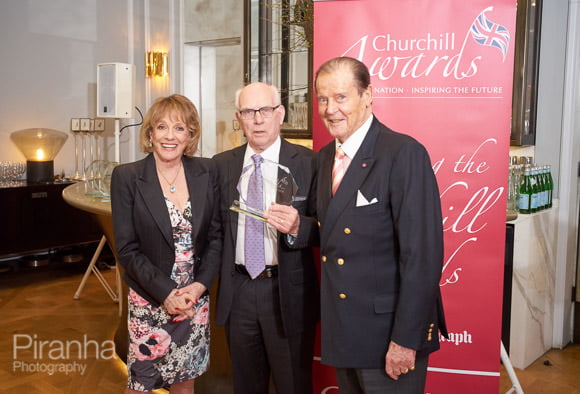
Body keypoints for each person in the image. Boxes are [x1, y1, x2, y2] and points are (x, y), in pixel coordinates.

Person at [314, 56, 448, 393]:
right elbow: (334, 234)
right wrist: (294, 228)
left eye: (341, 97)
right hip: (345, 331)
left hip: (388, 336)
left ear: (367, 95)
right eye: (323, 99)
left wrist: (405, 340)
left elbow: (422, 258)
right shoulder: (325, 158)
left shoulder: (403, 153)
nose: (331, 109)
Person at [212, 82, 319, 394]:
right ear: (239, 118)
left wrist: (300, 226)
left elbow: (329, 229)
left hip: (287, 293)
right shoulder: (221, 165)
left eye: (264, 110)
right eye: (248, 112)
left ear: (280, 114)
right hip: (239, 291)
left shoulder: (309, 163)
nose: (257, 119)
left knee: (293, 385)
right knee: (246, 385)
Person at [111, 94, 222, 394]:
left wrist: (198, 289)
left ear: (190, 135)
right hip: (150, 301)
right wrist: (167, 294)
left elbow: (215, 237)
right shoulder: (128, 177)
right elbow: (127, 249)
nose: (170, 136)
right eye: (161, 127)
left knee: (185, 385)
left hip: (193, 302)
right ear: (149, 133)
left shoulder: (206, 171)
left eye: (179, 128)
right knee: (140, 386)